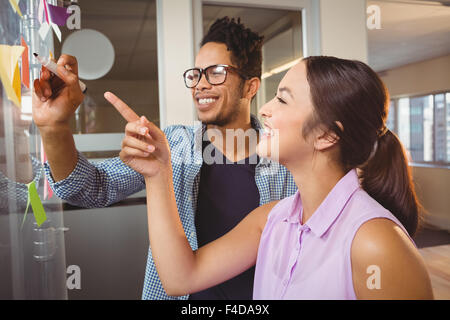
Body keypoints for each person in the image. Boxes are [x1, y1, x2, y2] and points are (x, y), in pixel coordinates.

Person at [118, 56, 434, 299]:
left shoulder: (375, 243)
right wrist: (158, 172)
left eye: (282, 99)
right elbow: (180, 278)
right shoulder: (273, 219)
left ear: (325, 135)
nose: (265, 109)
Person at [31, 17, 296, 299]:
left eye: (216, 72)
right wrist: (54, 128)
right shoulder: (171, 145)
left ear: (251, 87)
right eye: (196, 74)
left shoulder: (287, 159)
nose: (200, 85)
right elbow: (89, 188)